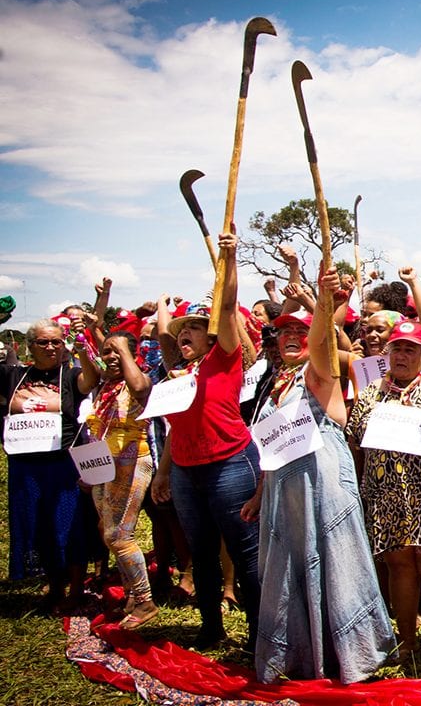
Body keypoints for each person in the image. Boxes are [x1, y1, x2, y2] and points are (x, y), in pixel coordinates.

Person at [241, 269, 395, 683]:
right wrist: (259, 495)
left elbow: (321, 342)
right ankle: (300, 657)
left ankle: (354, 657)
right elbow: (271, 448)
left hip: (322, 478)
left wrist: (324, 303)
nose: (291, 337)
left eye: (299, 331)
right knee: (291, 564)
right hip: (282, 488)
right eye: (283, 332)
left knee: (335, 560)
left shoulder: (320, 369)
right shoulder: (277, 381)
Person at [150, 229, 262, 649]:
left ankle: (256, 634)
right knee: (200, 552)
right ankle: (211, 627)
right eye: (182, 331)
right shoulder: (176, 374)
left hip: (230, 465)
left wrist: (229, 261)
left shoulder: (224, 359)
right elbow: (175, 427)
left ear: (210, 334)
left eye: (195, 328)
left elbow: (229, 305)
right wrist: (165, 472)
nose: (185, 335)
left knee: (244, 551)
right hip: (183, 468)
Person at [345, 313, 421, 666]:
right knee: (399, 566)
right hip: (385, 496)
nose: (402, 356)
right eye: (396, 348)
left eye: (410, 350)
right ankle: (408, 640)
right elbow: (355, 443)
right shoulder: (370, 393)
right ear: (386, 353)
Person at [1, 318, 95, 612]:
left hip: (63, 463)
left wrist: (82, 350)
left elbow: (91, 381)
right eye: (43, 342)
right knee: (37, 525)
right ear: (31, 346)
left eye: (57, 341)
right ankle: (55, 587)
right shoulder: (14, 374)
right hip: (25, 465)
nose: (51, 347)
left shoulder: (71, 375)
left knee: (70, 526)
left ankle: (77, 589)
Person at [78, 327, 158, 628]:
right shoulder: (105, 387)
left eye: (119, 351)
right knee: (107, 530)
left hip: (132, 462)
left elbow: (139, 388)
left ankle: (145, 601)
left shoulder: (143, 378)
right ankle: (130, 594)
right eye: (107, 351)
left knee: (118, 535)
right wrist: (89, 471)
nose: (112, 356)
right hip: (102, 464)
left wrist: (124, 350)